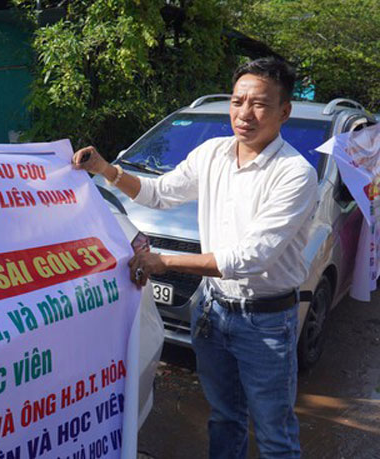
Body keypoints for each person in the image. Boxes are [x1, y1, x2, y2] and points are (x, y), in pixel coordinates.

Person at [72, 57, 317, 459]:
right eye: (238, 101)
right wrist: (104, 169)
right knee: (224, 417)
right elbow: (160, 193)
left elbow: (250, 258)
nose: (245, 114)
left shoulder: (294, 174)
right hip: (213, 310)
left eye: (259, 104)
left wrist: (164, 262)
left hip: (267, 322)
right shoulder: (213, 153)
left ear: (284, 111)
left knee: (274, 434)